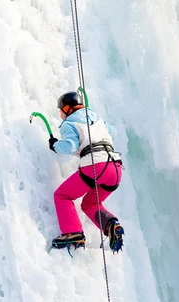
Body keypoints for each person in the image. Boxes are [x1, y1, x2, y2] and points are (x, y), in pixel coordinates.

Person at [49, 91, 124, 252]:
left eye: (61, 110)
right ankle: (111, 225)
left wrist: (55, 145)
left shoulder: (69, 123)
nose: (60, 114)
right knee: (91, 203)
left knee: (62, 195)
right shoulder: (97, 119)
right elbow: (114, 132)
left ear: (68, 108)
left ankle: (72, 233)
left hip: (96, 166)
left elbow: (70, 146)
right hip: (115, 168)